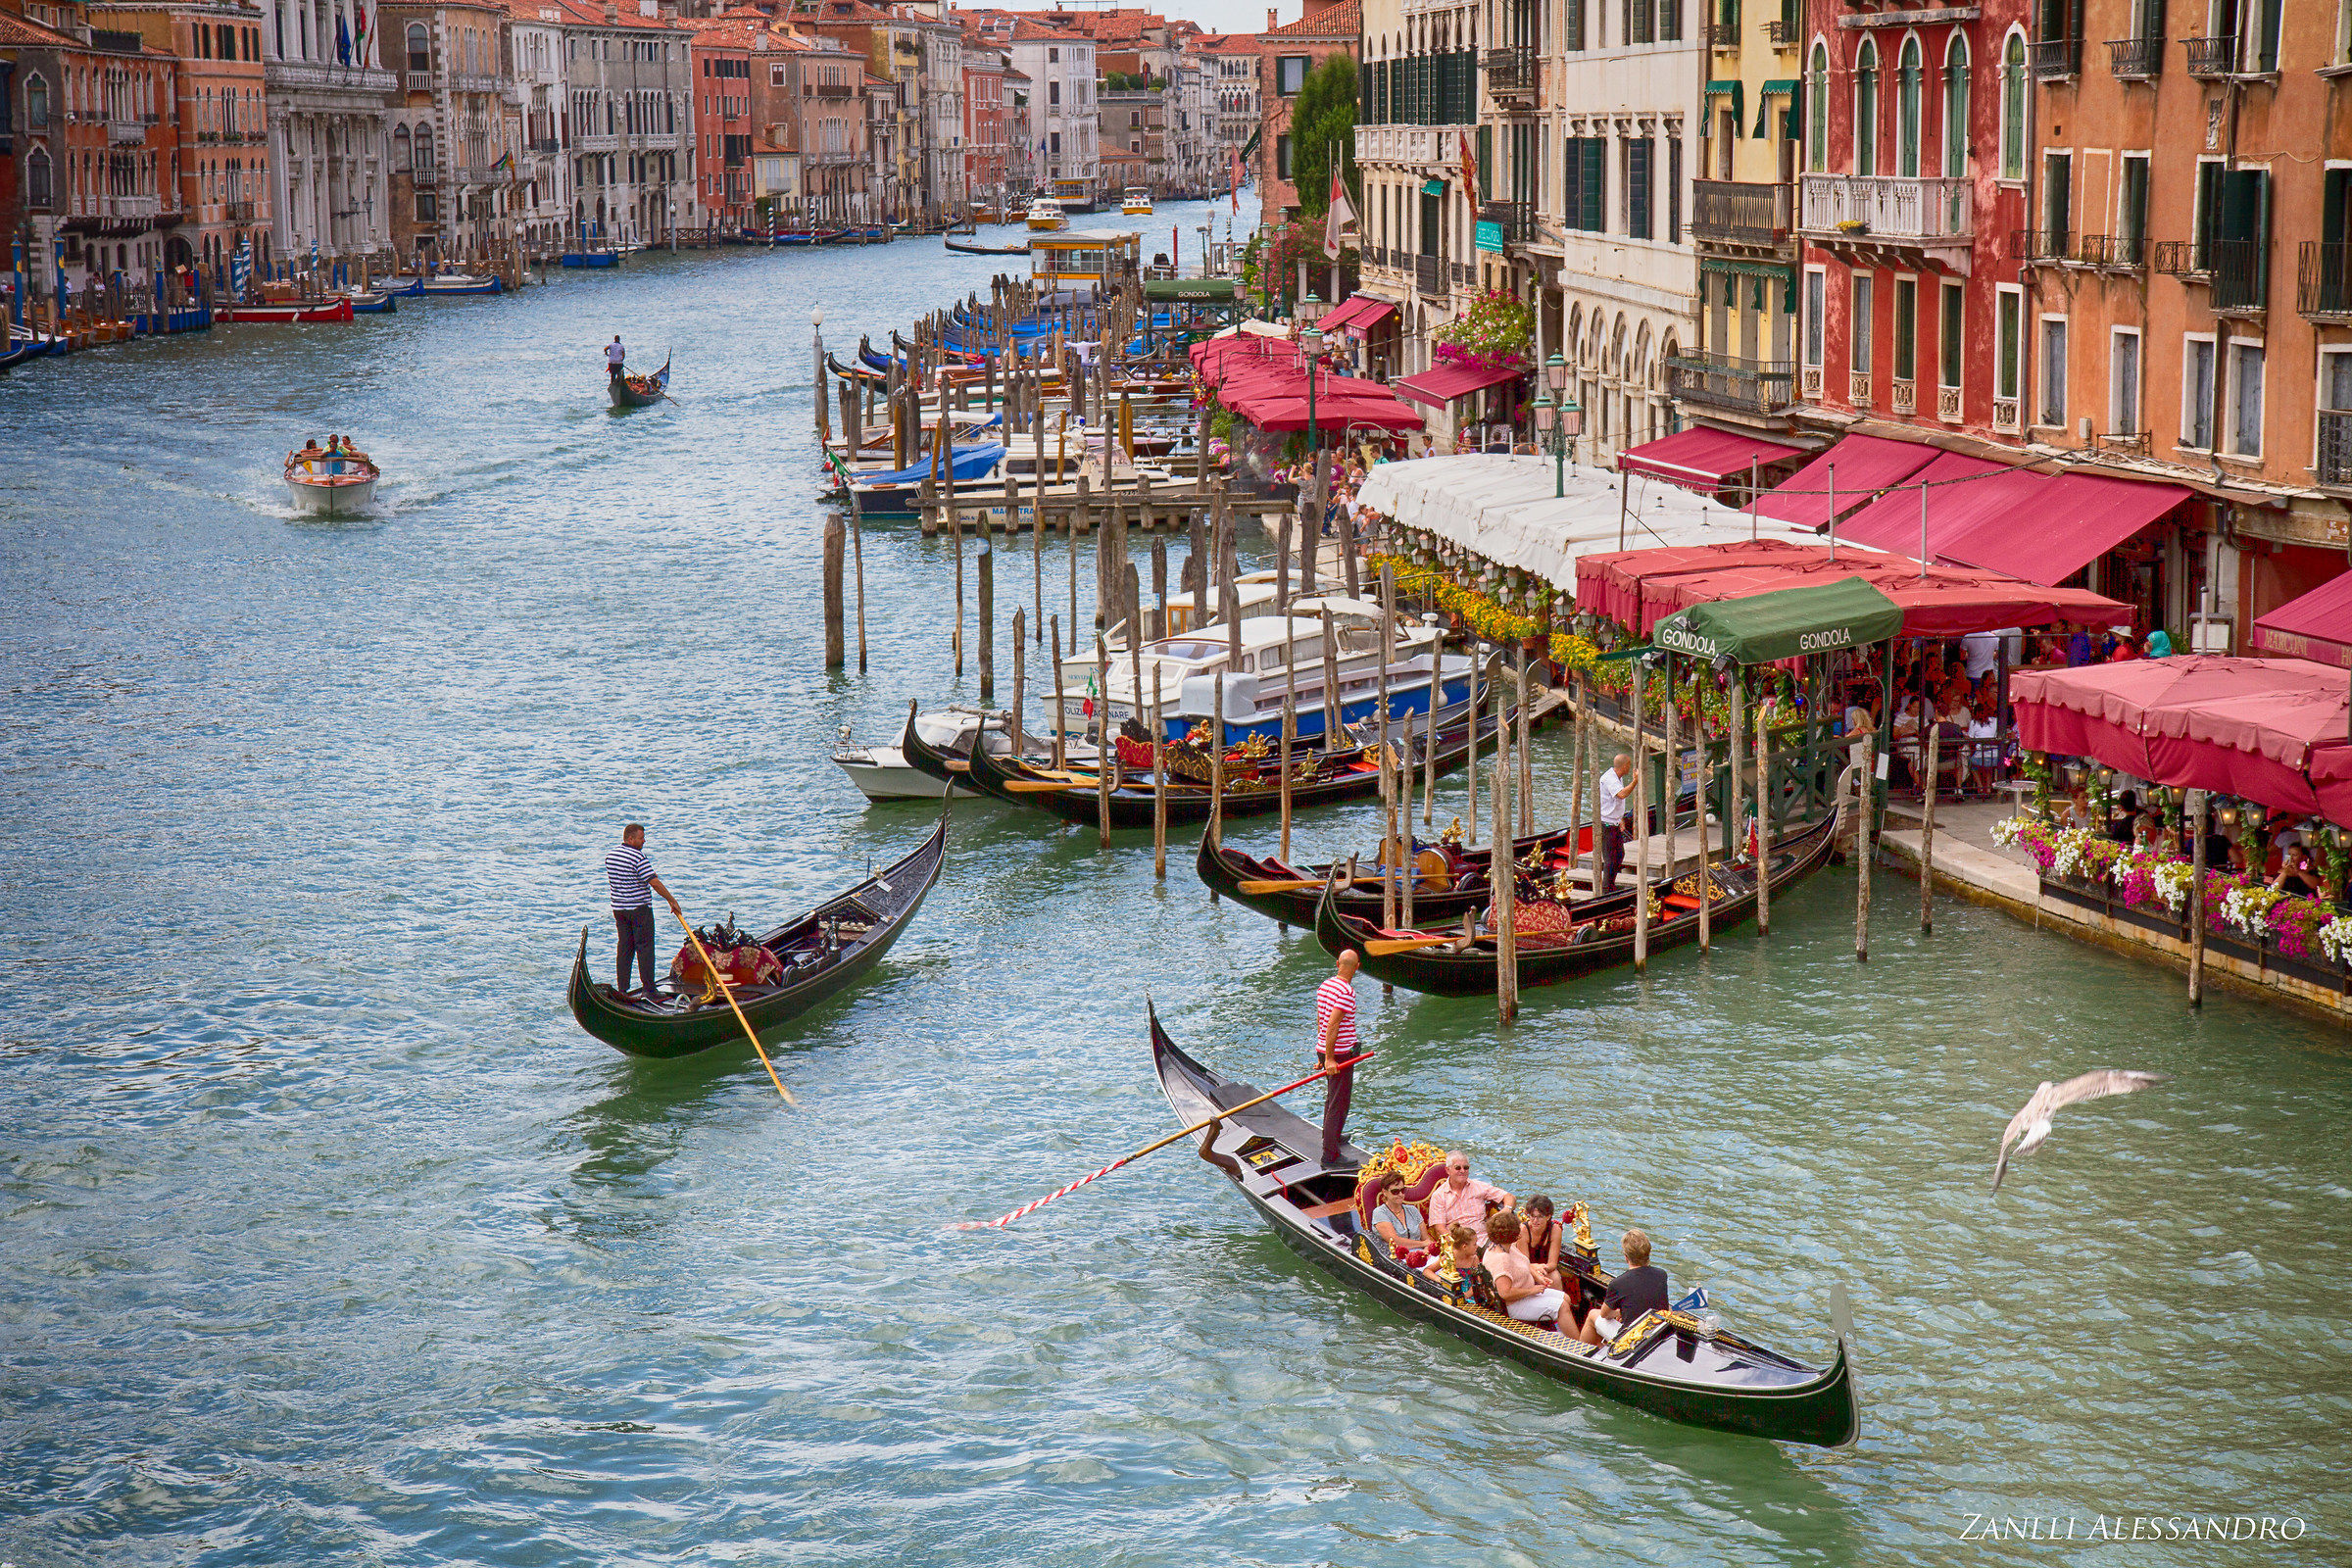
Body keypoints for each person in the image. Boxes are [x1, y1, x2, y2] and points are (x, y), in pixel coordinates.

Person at [605, 822, 685, 1000]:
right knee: (645, 948)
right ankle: (649, 989)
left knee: (625, 947)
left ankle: (622, 989)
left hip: (619, 910)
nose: (644, 841)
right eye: (641, 838)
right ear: (630, 838)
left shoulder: (611, 855)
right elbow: (654, 882)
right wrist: (672, 900)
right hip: (639, 909)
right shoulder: (637, 857)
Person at [1578, 1228, 1672, 1347]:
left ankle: (1581, 1352)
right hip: (1656, 1330)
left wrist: (1619, 1313)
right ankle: (1600, 1347)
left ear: (1626, 1257)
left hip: (1631, 1337)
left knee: (1592, 1315)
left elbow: (1604, 1314)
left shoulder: (1618, 1283)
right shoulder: (1662, 1274)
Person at [1313, 950, 1361, 1168]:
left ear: (1337, 964)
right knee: (1338, 1103)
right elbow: (1333, 1024)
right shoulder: (1347, 991)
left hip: (1326, 1049)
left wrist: (1323, 1054)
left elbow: (1320, 1019)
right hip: (1340, 1053)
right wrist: (1331, 1058)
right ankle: (1330, 1156)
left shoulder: (1325, 985)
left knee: (1333, 1098)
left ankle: (1332, 1136)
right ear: (1357, 967)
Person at [1483, 1210, 1570, 1324]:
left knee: (1566, 1298)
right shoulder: (1501, 1258)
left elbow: (1525, 1264)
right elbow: (1505, 1293)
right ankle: (1576, 1340)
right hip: (1516, 1304)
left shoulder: (1507, 1247)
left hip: (1526, 1295)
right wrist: (1531, 1290)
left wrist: (1538, 1278)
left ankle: (1561, 1328)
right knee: (1562, 1306)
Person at [1425, 1151, 1511, 1243]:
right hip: (1460, 1244)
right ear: (1448, 1170)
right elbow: (1440, 1229)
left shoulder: (1479, 1187)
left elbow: (1509, 1196)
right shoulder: (1439, 1196)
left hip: (1483, 1239)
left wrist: (1507, 1209)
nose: (1462, 1171)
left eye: (1466, 1168)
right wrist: (1459, 1246)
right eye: (1457, 1168)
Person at [1596, 751, 1635, 892]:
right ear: (1624, 766)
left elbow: (1616, 802)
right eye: (1629, 765)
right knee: (1610, 859)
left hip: (1615, 822)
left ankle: (1611, 884)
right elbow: (1622, 794)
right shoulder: (1610, 779)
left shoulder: (1618, 777)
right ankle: (1606, 888)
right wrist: (1635, 781)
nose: (1630, 767)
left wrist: (1621, 819)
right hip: (1607, 825)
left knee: (1619, 855)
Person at [1368, 1171, 1426, 1256]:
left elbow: (1426, 1238)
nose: (1400, 1194)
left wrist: (1427, 1249)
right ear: (1384, 1192)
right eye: (1395, 1191)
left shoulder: (1413, 1210)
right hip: (1396, 1258)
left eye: (1402, 1190)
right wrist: (1423, 1244)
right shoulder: (1379, 1213)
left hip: (1422, 1254)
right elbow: (1395, 1241)